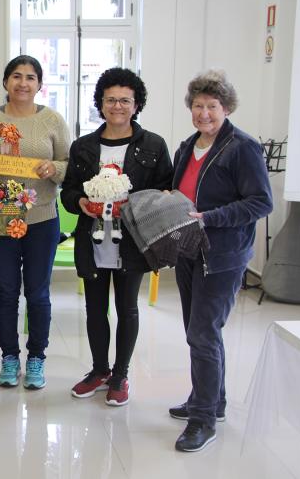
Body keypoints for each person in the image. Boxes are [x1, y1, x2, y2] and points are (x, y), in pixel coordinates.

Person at [170, 69, 272, 452]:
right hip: (187, 248)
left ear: (226, 108)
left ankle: (203, 420)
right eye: (198, 106)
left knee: (202, 333)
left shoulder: (241, 147)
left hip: (222, 255)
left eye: (212, 106)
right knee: (199, 332)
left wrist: (211, 218)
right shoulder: (187, 146)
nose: (204, 113)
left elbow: (261, 202)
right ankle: (211, 401)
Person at [60, 67, 173, 406]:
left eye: (125, 100)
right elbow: (67, 191)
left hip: (132, 241)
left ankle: (121, 374)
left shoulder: (153, 144)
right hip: (92, 238)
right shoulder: (83, 146)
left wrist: (135, 206)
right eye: (111, 100)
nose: (118, 106)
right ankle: (99, 371)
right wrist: (80, 201)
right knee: (94, 309)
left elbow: (165, 190)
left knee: (127, 308)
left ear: (136, 104)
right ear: (101, 103)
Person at [0, 55, 69, 389]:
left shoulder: (53, 120)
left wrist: (54, 169)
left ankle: (37, 357)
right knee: (6, 291)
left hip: (42, 217)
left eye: (30, 77)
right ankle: (9, 357)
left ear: (40, 84)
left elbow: (69, 164)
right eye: (16, 76)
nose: (23, 83)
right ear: (5, 82)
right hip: (1, 218)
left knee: (38, 293)